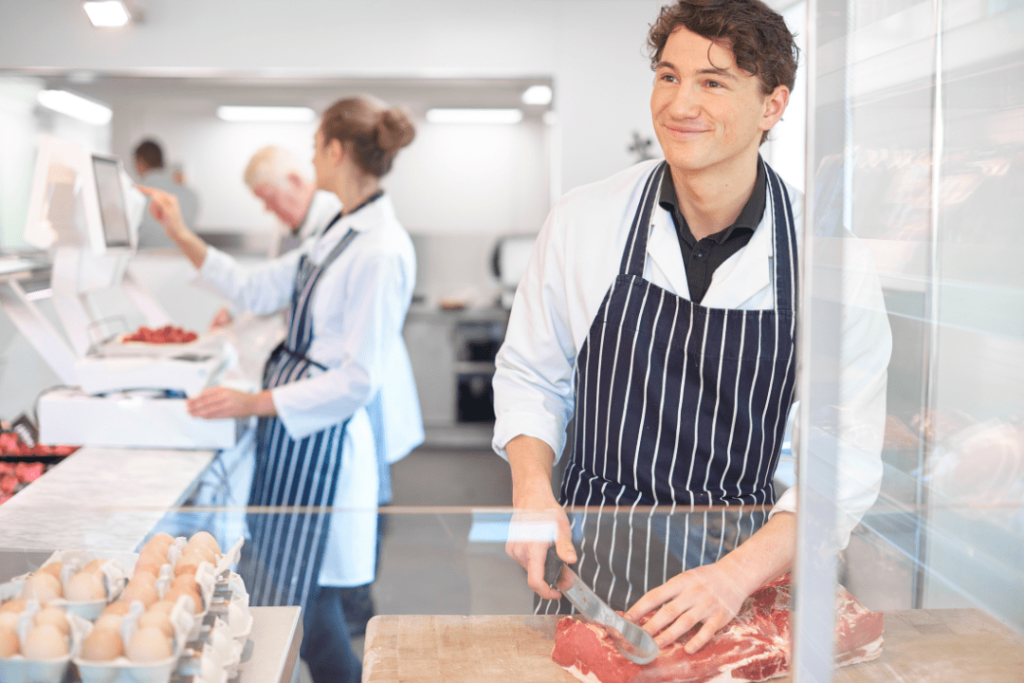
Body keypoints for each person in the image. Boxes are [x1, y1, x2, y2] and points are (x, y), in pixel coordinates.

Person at [494, 0, 891, 656]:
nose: (680, 103)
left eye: (713, 81)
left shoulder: (830, 262)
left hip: (743, 581)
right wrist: (533, 488)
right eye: (669, 76)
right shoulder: (583, 222)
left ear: (772, 106)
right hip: (593, 566)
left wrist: (735, 576)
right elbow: (531, 374)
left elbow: (840, 459)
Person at [139, 97, 424, 683]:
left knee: (309, 609)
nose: (312, 155)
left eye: (317, 144)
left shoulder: (380, 248)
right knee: (295, 603)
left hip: (322, 447)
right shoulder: (338, 230)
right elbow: (254, 285)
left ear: (336, 151)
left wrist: (253, 402)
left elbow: (357, 380)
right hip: (298, 440)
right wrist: (180, 232)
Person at [244, 145, 340, 256]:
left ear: (294, 180)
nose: (267, 208)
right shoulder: (282, 227)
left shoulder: (336, 217)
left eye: (270, 198)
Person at [133, 139, 199, 249]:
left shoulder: (135, 196)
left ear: (140, 163)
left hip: (143, 261)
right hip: (185, 261)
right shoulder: (191, 195)